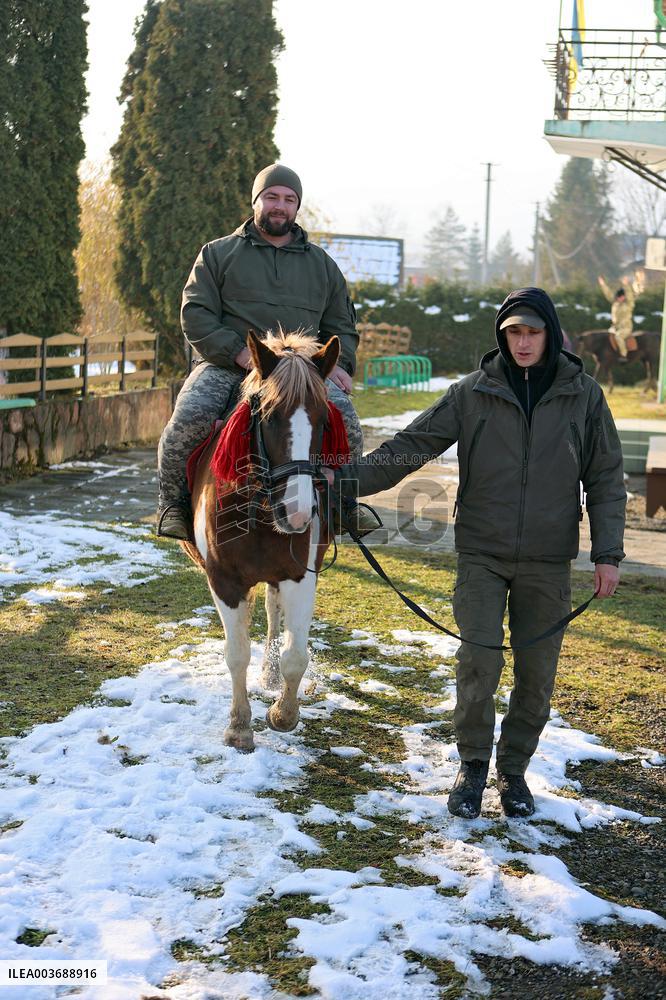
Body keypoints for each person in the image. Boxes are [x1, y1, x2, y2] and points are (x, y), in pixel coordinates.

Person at [334, 287, 626, 819]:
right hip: (482, 556)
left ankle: (513, 772)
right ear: (502, 335)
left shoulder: (584, 395)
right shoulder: (472, 393)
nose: (523, 342)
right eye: (514, 331)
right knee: (479, 665)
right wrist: (343, 482)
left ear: (551, 335)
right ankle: (471, 769)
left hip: (548, 559)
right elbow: (411, 444)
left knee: (537, 674)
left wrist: (608, 552)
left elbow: (606, 477)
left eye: (532, 332)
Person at [157, 163, 376, 539]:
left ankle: (343, 506)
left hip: (302, 371)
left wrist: (340, 365)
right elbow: (196, 314)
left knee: (349, 425)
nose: (280, 205)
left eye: (289, 199)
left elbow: (341, 325)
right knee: (188, 419)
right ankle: (173, 505)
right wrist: (238, 353)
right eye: (272, 196)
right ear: (256, 200)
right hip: (231, 364)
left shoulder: (322, 264)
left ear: (297, 207)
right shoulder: (217, 254)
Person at [597, 274, 639, 361]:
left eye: (621, 297)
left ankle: (624, 355)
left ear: (624, 297)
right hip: (615, 327)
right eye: (618, 297)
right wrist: (602, 284)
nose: (619, 298)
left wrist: (626, 285)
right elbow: (608, 293)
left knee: (618, 337)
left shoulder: (629, 304)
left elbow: (630, 295)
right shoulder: (615, 303)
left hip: (626, 328)